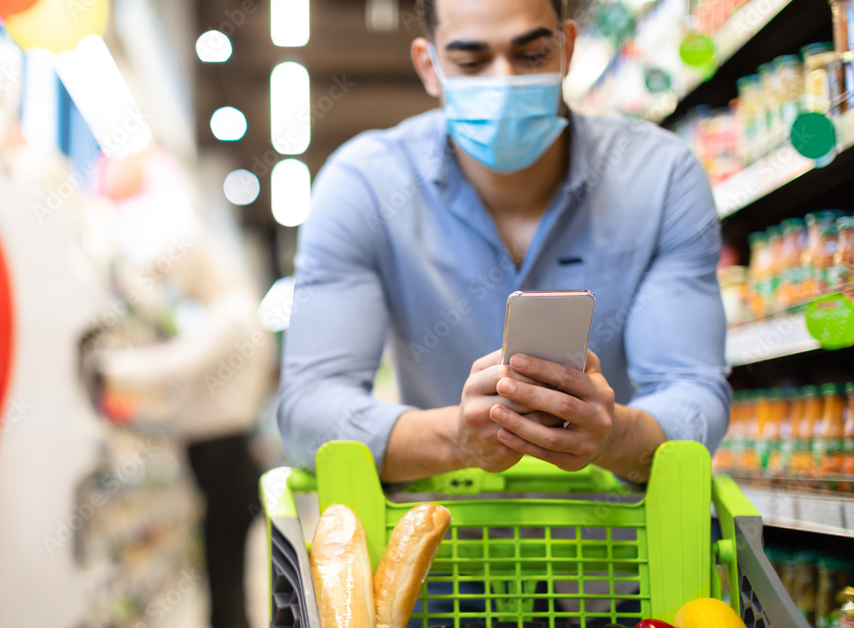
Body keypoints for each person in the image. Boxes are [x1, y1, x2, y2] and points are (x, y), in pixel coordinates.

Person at [277, 0, 731, 484]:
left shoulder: (661, 177)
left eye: (532, 54)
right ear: (429, 66)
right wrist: (456, 436)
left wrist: (613, 434)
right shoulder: (363, 185)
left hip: (621, 541)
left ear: (567, 48)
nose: (503, 81)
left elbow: (694, 393)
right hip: (446, 537)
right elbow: (308, 411)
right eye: (471, 62)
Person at [96, 151, 272, 628]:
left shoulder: (234, 315)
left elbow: (178, 364)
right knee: (223, 597)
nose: (177, 285)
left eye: (177, 271)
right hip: (222, 463)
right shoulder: (226, 312)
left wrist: (106, 367)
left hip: (226, 465)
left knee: (226, 602)